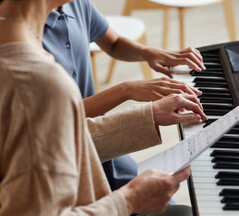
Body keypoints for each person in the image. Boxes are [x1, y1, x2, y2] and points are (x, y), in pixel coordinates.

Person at [0, 0, 207, 216]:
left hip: (103, 174)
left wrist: (147, 115)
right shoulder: (39, 83)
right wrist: (127, 202)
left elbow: (55, 139)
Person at [43, 0, 206, 190]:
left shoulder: (76, 4)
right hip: (65, 155)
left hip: (102, 139)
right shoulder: (22, 41)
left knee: (162, 199)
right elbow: (58, 119)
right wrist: (126, 90)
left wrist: (147, 52)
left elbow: (114, 43)